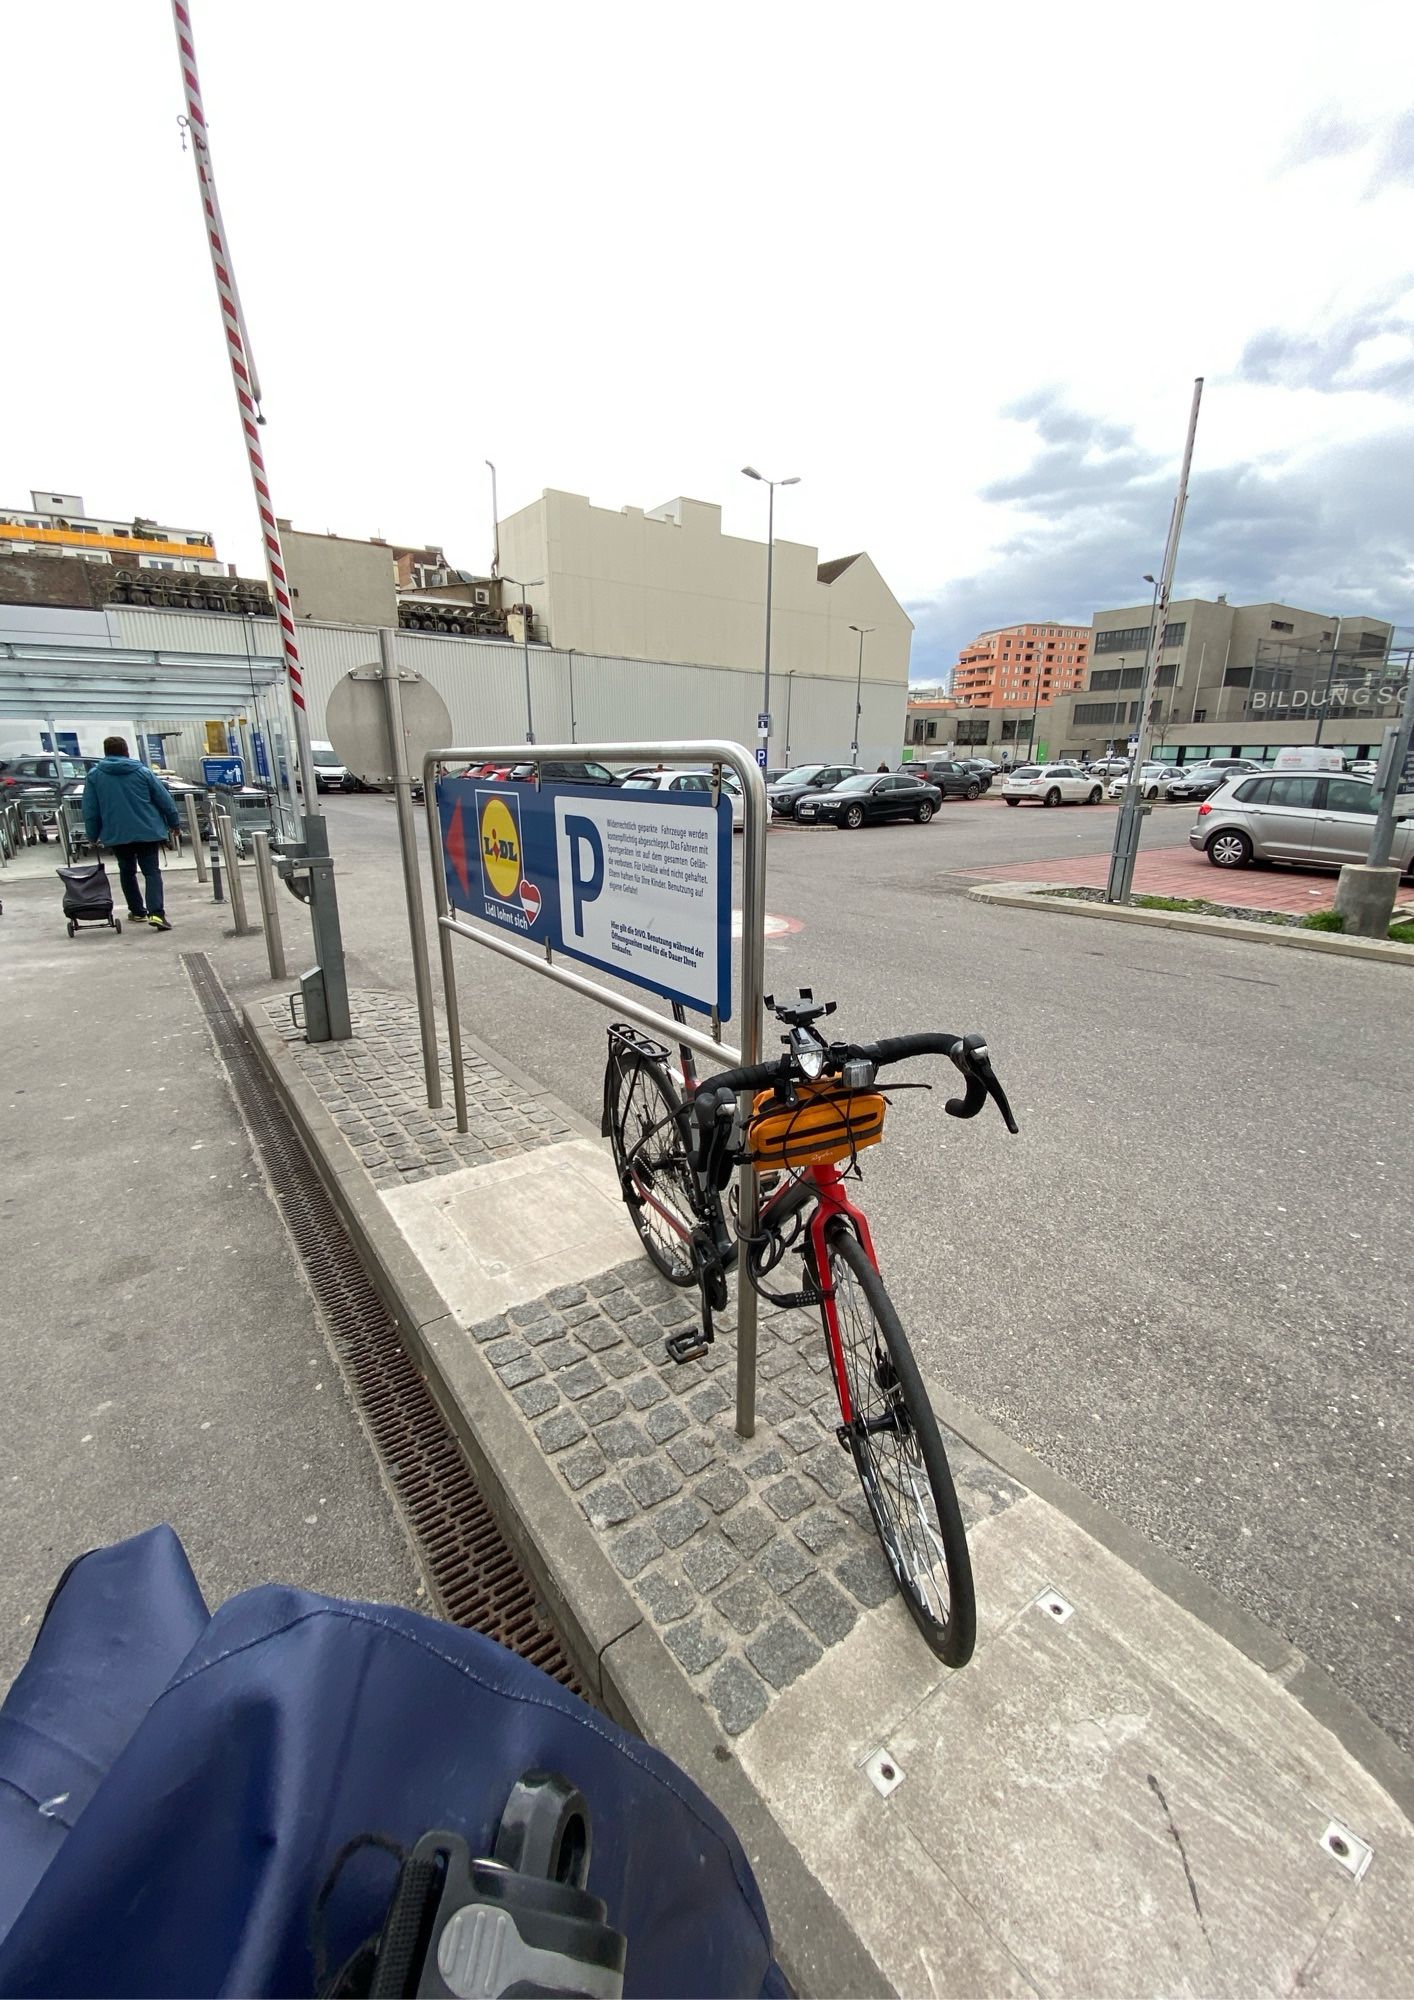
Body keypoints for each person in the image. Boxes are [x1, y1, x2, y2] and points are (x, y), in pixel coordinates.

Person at [82, 736, 182, 931]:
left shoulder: (95, 776)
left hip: (117, 833)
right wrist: (174, 823)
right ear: (127, 751)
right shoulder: (143, 772)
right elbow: (164, 799)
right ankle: (156, 913)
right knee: (151, 872)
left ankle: (137, 911)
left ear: (106, 752)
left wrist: (92, 835)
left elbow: (90, 809)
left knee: (127, 871)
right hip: (148, 830)